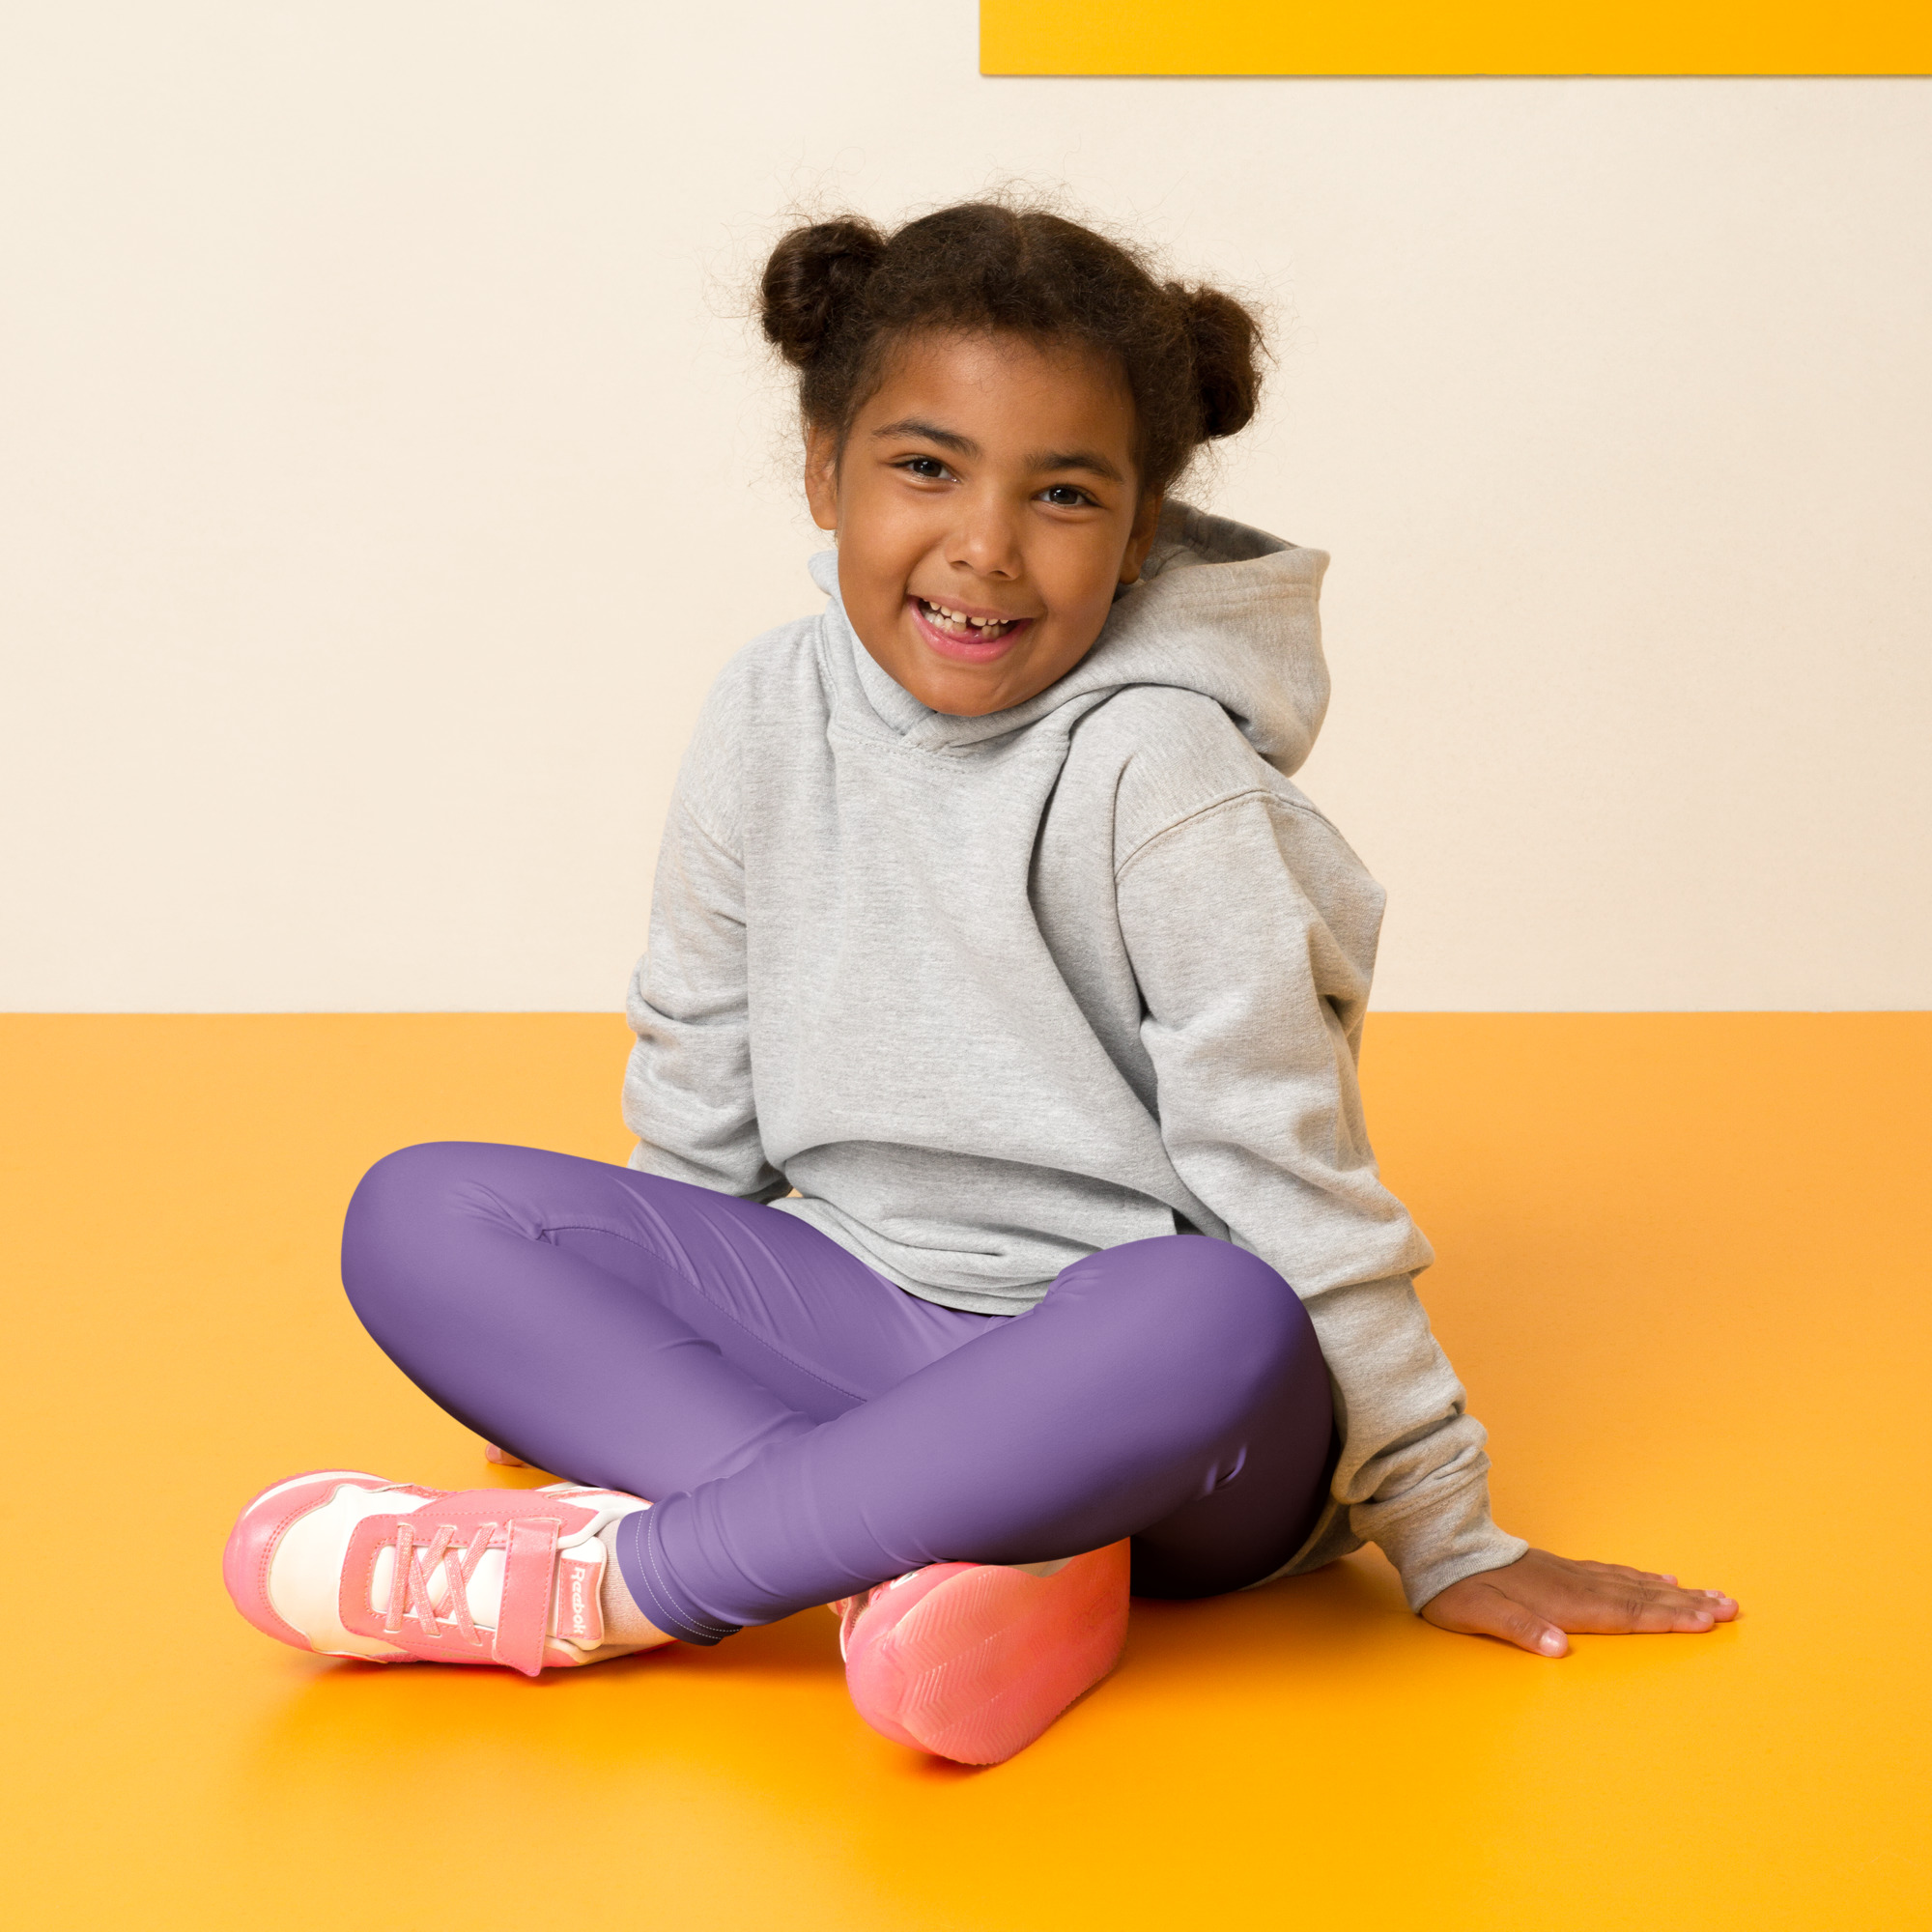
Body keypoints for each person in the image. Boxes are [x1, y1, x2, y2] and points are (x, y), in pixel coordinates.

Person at [223, 200, 1738, 1766]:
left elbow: (1292, 1174)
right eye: (926, 468)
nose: (986, 548)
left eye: (1063, 495)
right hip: (856, 1316)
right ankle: (948, 1558)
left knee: (1212, 1310)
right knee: (419, 1210)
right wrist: (613, 1345)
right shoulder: (765, 709)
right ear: (823, 470)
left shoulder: (1162, 770)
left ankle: (624, 1584)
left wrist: (1442, 1527)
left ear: (1140, 535)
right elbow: (699, 1075)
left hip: (1152, 1409)